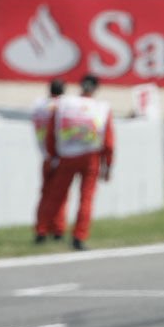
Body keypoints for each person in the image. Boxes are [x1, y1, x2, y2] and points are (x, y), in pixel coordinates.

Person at [38, 75, 115, 250]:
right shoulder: (102, 107)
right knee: (86, 198)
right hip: (91, 157)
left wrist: (52, 155)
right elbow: (109, 141)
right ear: (95, 89)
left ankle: (42, 231)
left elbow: (51, 132)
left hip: (66, 155)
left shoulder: (64, 103)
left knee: (55, 194)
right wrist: (108, 165)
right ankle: (78, 237)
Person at [32, 78, 68, 243]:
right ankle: (58, 229)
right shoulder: (63, 107)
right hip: (59, 155)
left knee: (45, 195)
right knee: (60, 195)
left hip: (44, 154)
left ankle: (41, 229)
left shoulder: (39, 105)